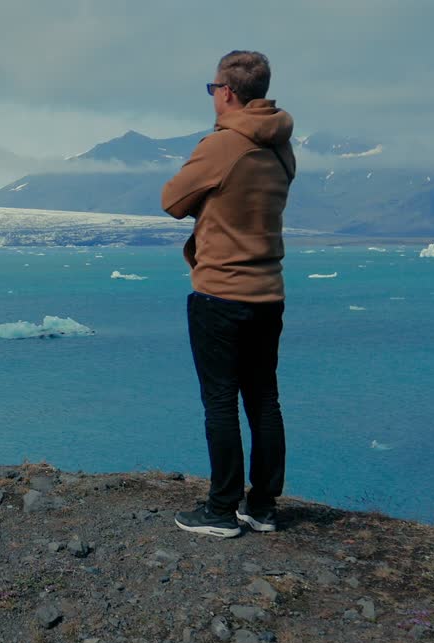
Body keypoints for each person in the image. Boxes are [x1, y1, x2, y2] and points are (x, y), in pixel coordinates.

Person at [161, 50, 296, 538]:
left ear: (228, 92)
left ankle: (220, 510)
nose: (212, 96)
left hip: (220, 292)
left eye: (212, 88)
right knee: (264, 399)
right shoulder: (281, 146)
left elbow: (172, 200)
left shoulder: (222, 145)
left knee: (220, 401)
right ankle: (262, 506)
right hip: (268, 293)